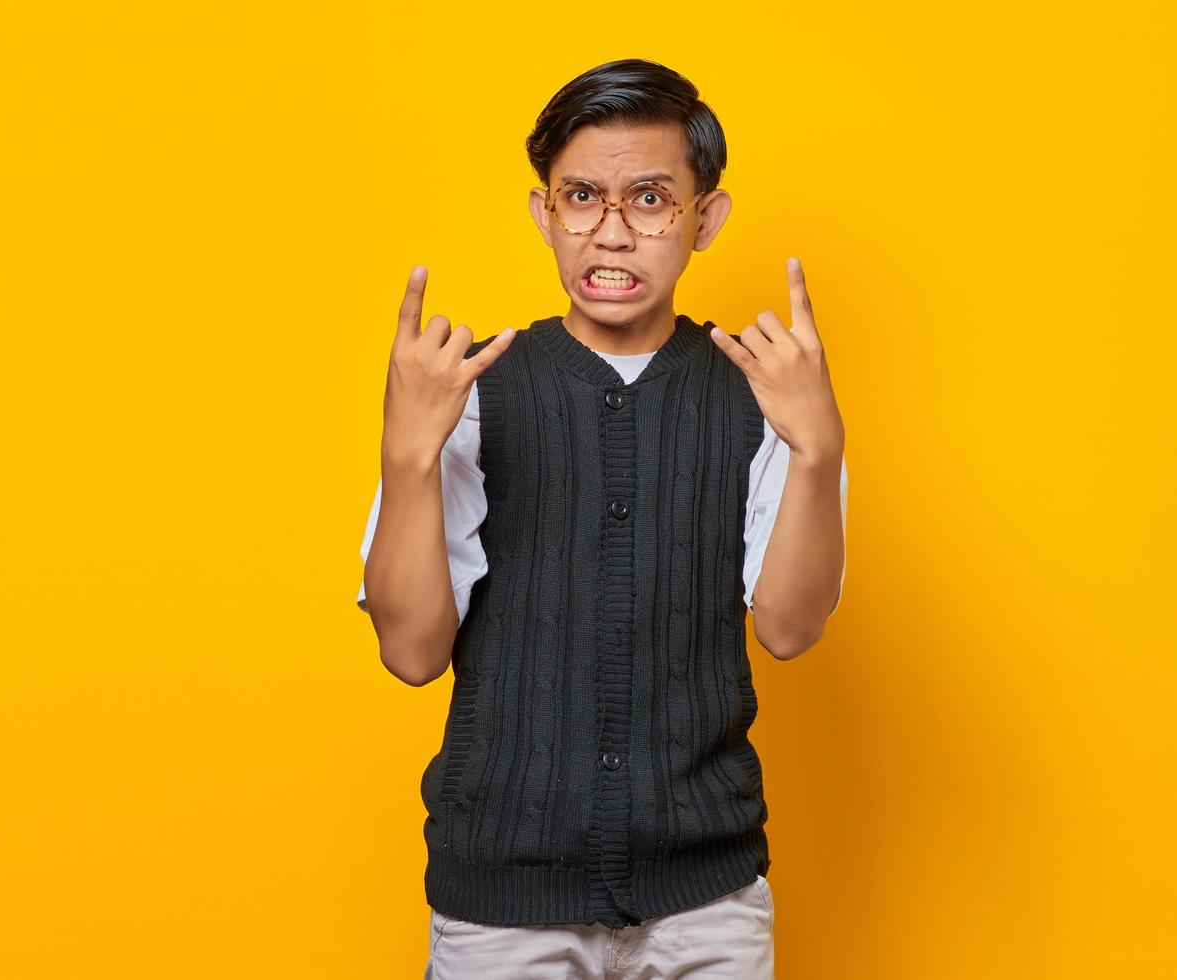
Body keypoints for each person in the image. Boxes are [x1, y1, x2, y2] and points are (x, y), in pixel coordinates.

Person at [356, 58, 848, 979]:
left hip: (708, 901)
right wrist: (406, 457)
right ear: (544, 212)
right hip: (501, 900)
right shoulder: (467, 391)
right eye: (582, 196)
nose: (612, 233)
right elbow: (412, 653)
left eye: (651, 198)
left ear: (706, 217)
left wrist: (817, 449)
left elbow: (788, 627)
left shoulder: (764, 395)